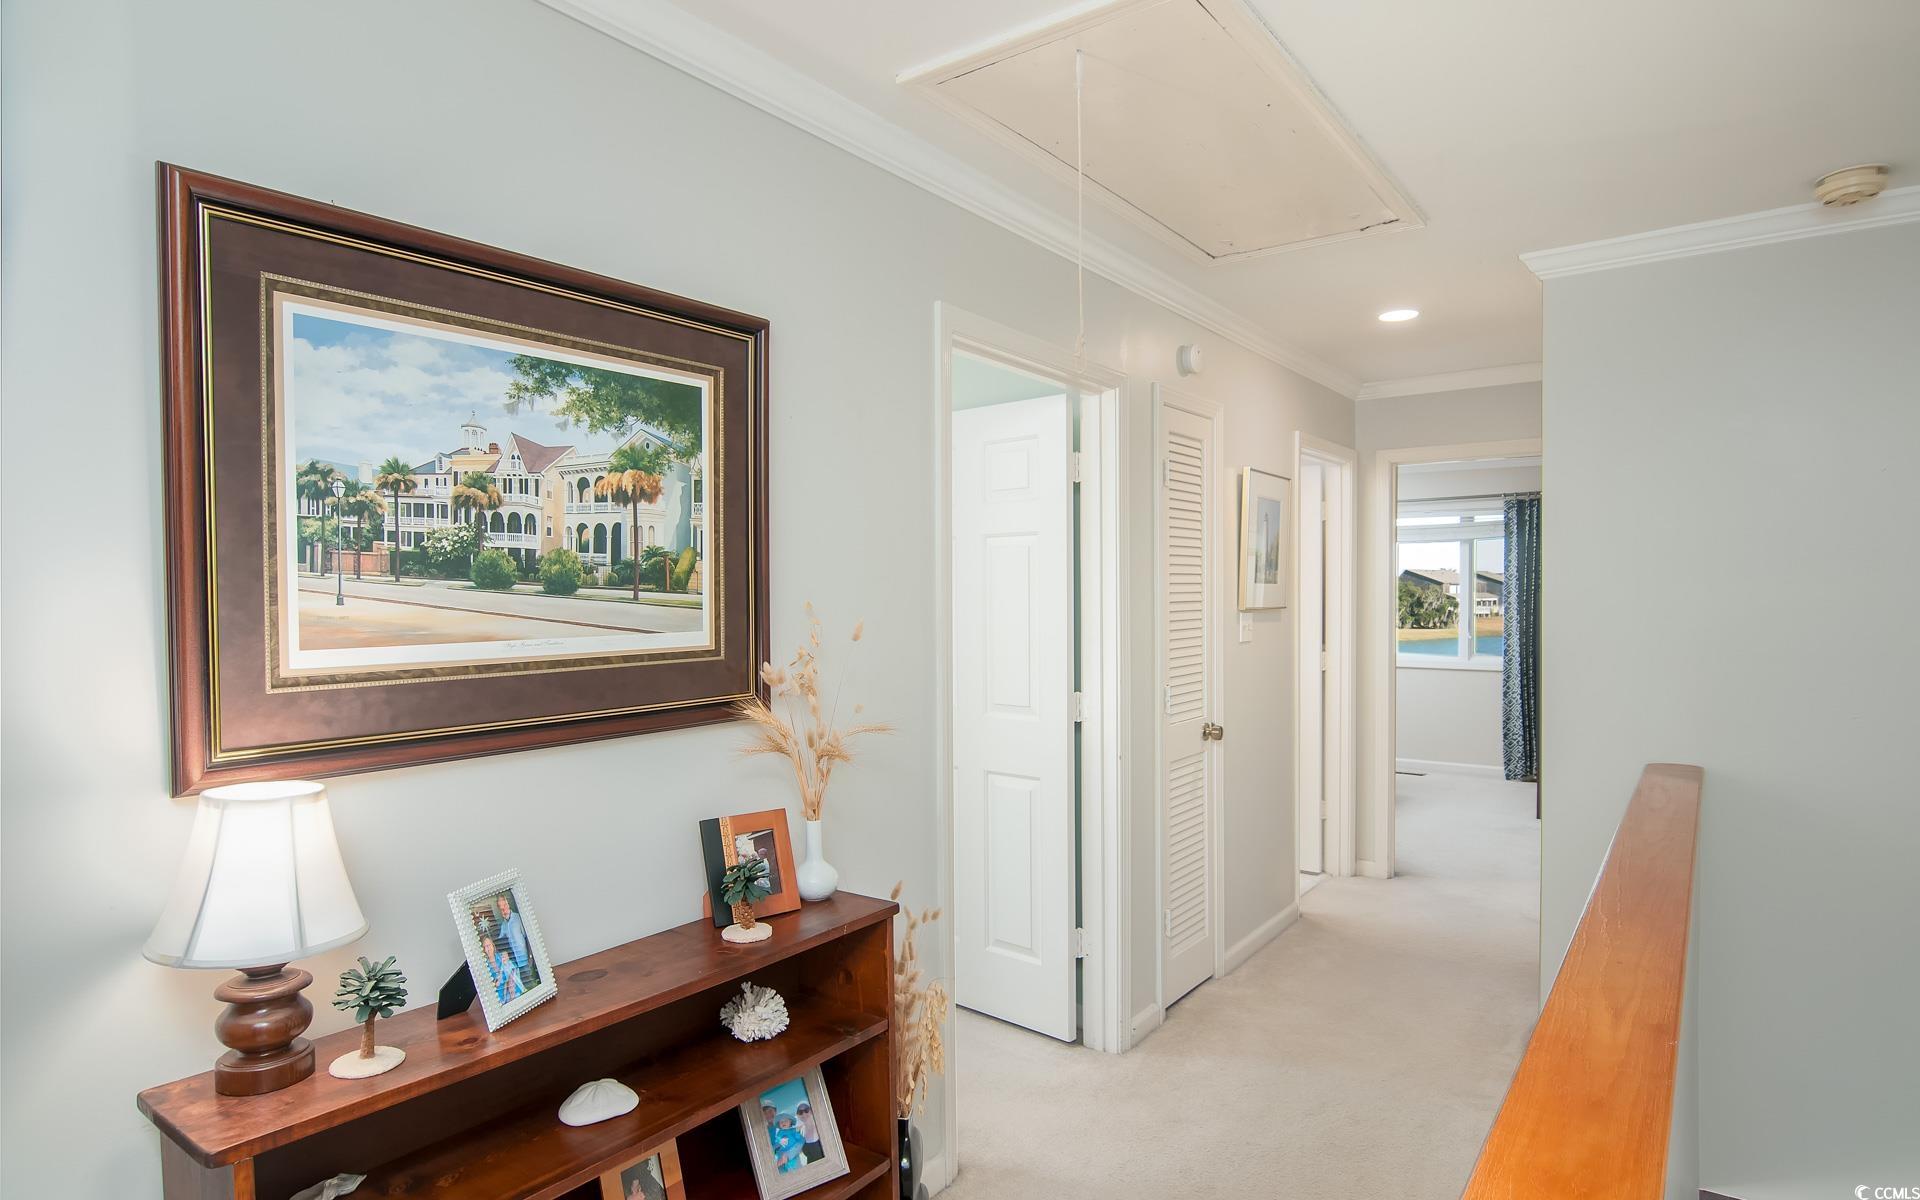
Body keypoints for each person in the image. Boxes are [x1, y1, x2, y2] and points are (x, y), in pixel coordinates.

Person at [493, 894, 530, 984]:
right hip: (515, 962)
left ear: (508, 904)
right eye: (501, 908)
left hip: (526, 959)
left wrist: (531, 956)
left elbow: (528, 938)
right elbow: (500, 943)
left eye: (504, 905)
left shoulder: (518, 918)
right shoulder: (503, 926)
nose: (504, 909)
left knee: (531, 981)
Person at [483, 935, 522, 1004]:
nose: (487, 949)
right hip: (499, 993)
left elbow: (513, 968)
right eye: (485, 947)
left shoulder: (500, 957)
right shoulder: (485, 965)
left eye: (488, 945)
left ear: (493, 945)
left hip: (510, 987)